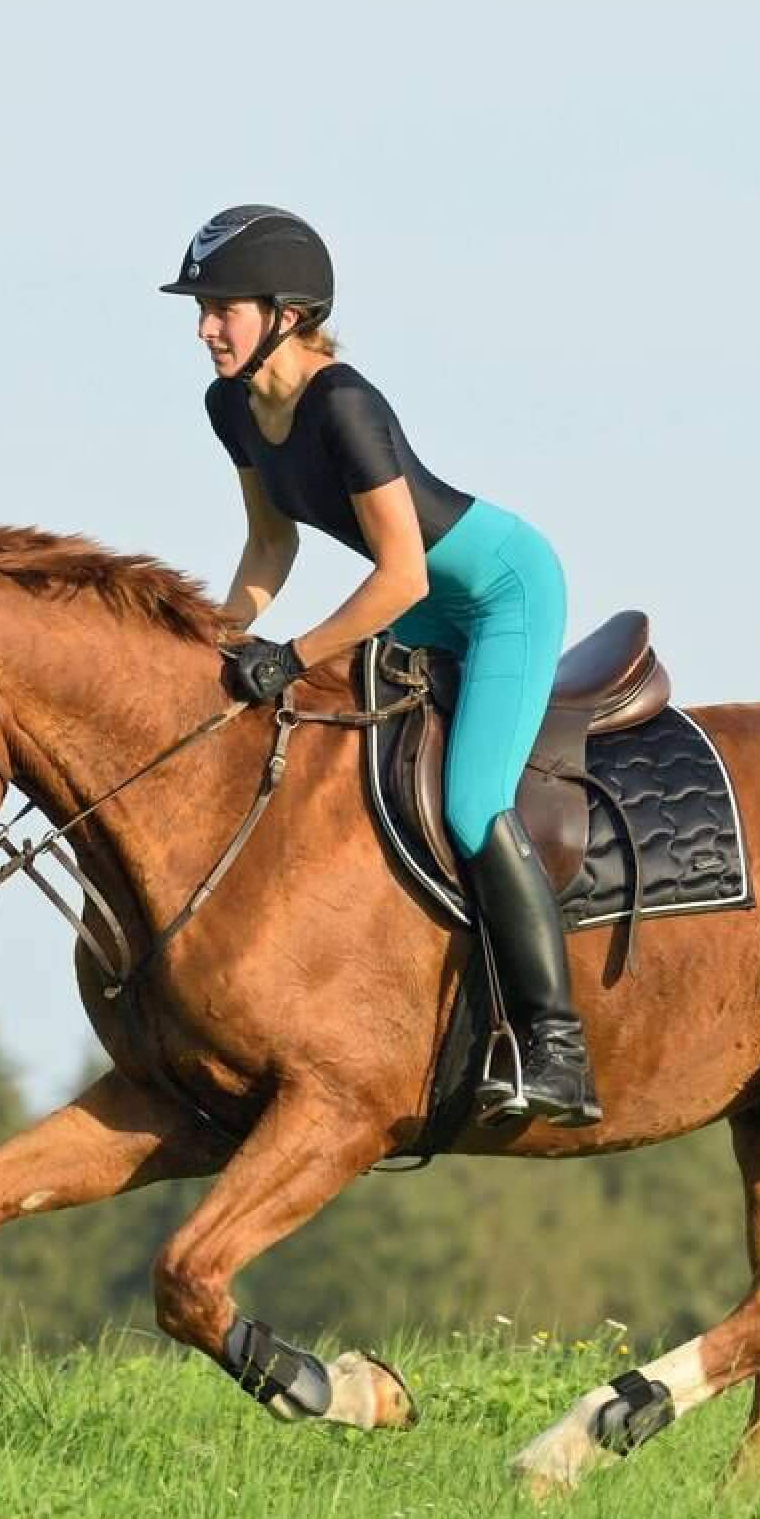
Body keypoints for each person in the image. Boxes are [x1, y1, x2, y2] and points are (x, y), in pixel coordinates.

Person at [160, 205, 599, 1127]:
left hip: (500, 594)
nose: (204, 327)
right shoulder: (229, 405)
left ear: (286, 311)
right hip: (418, 597)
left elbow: (399, 572)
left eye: (222, 308)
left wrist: (292, 656)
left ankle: (558, 1048)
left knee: (475, 804)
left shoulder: (343, 402)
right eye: (200, 309)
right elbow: (269, 542)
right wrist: (223, 640)